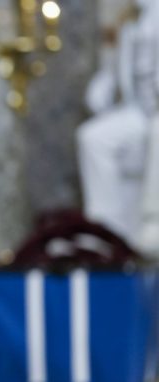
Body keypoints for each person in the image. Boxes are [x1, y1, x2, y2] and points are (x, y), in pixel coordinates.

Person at [77, 0, 158, 249]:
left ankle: (153, 221)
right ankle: (105, 228)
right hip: (138, 110)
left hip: (155, 112)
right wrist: (101, 95)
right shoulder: (131, 19)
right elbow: (117, 70)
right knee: (92, 137)